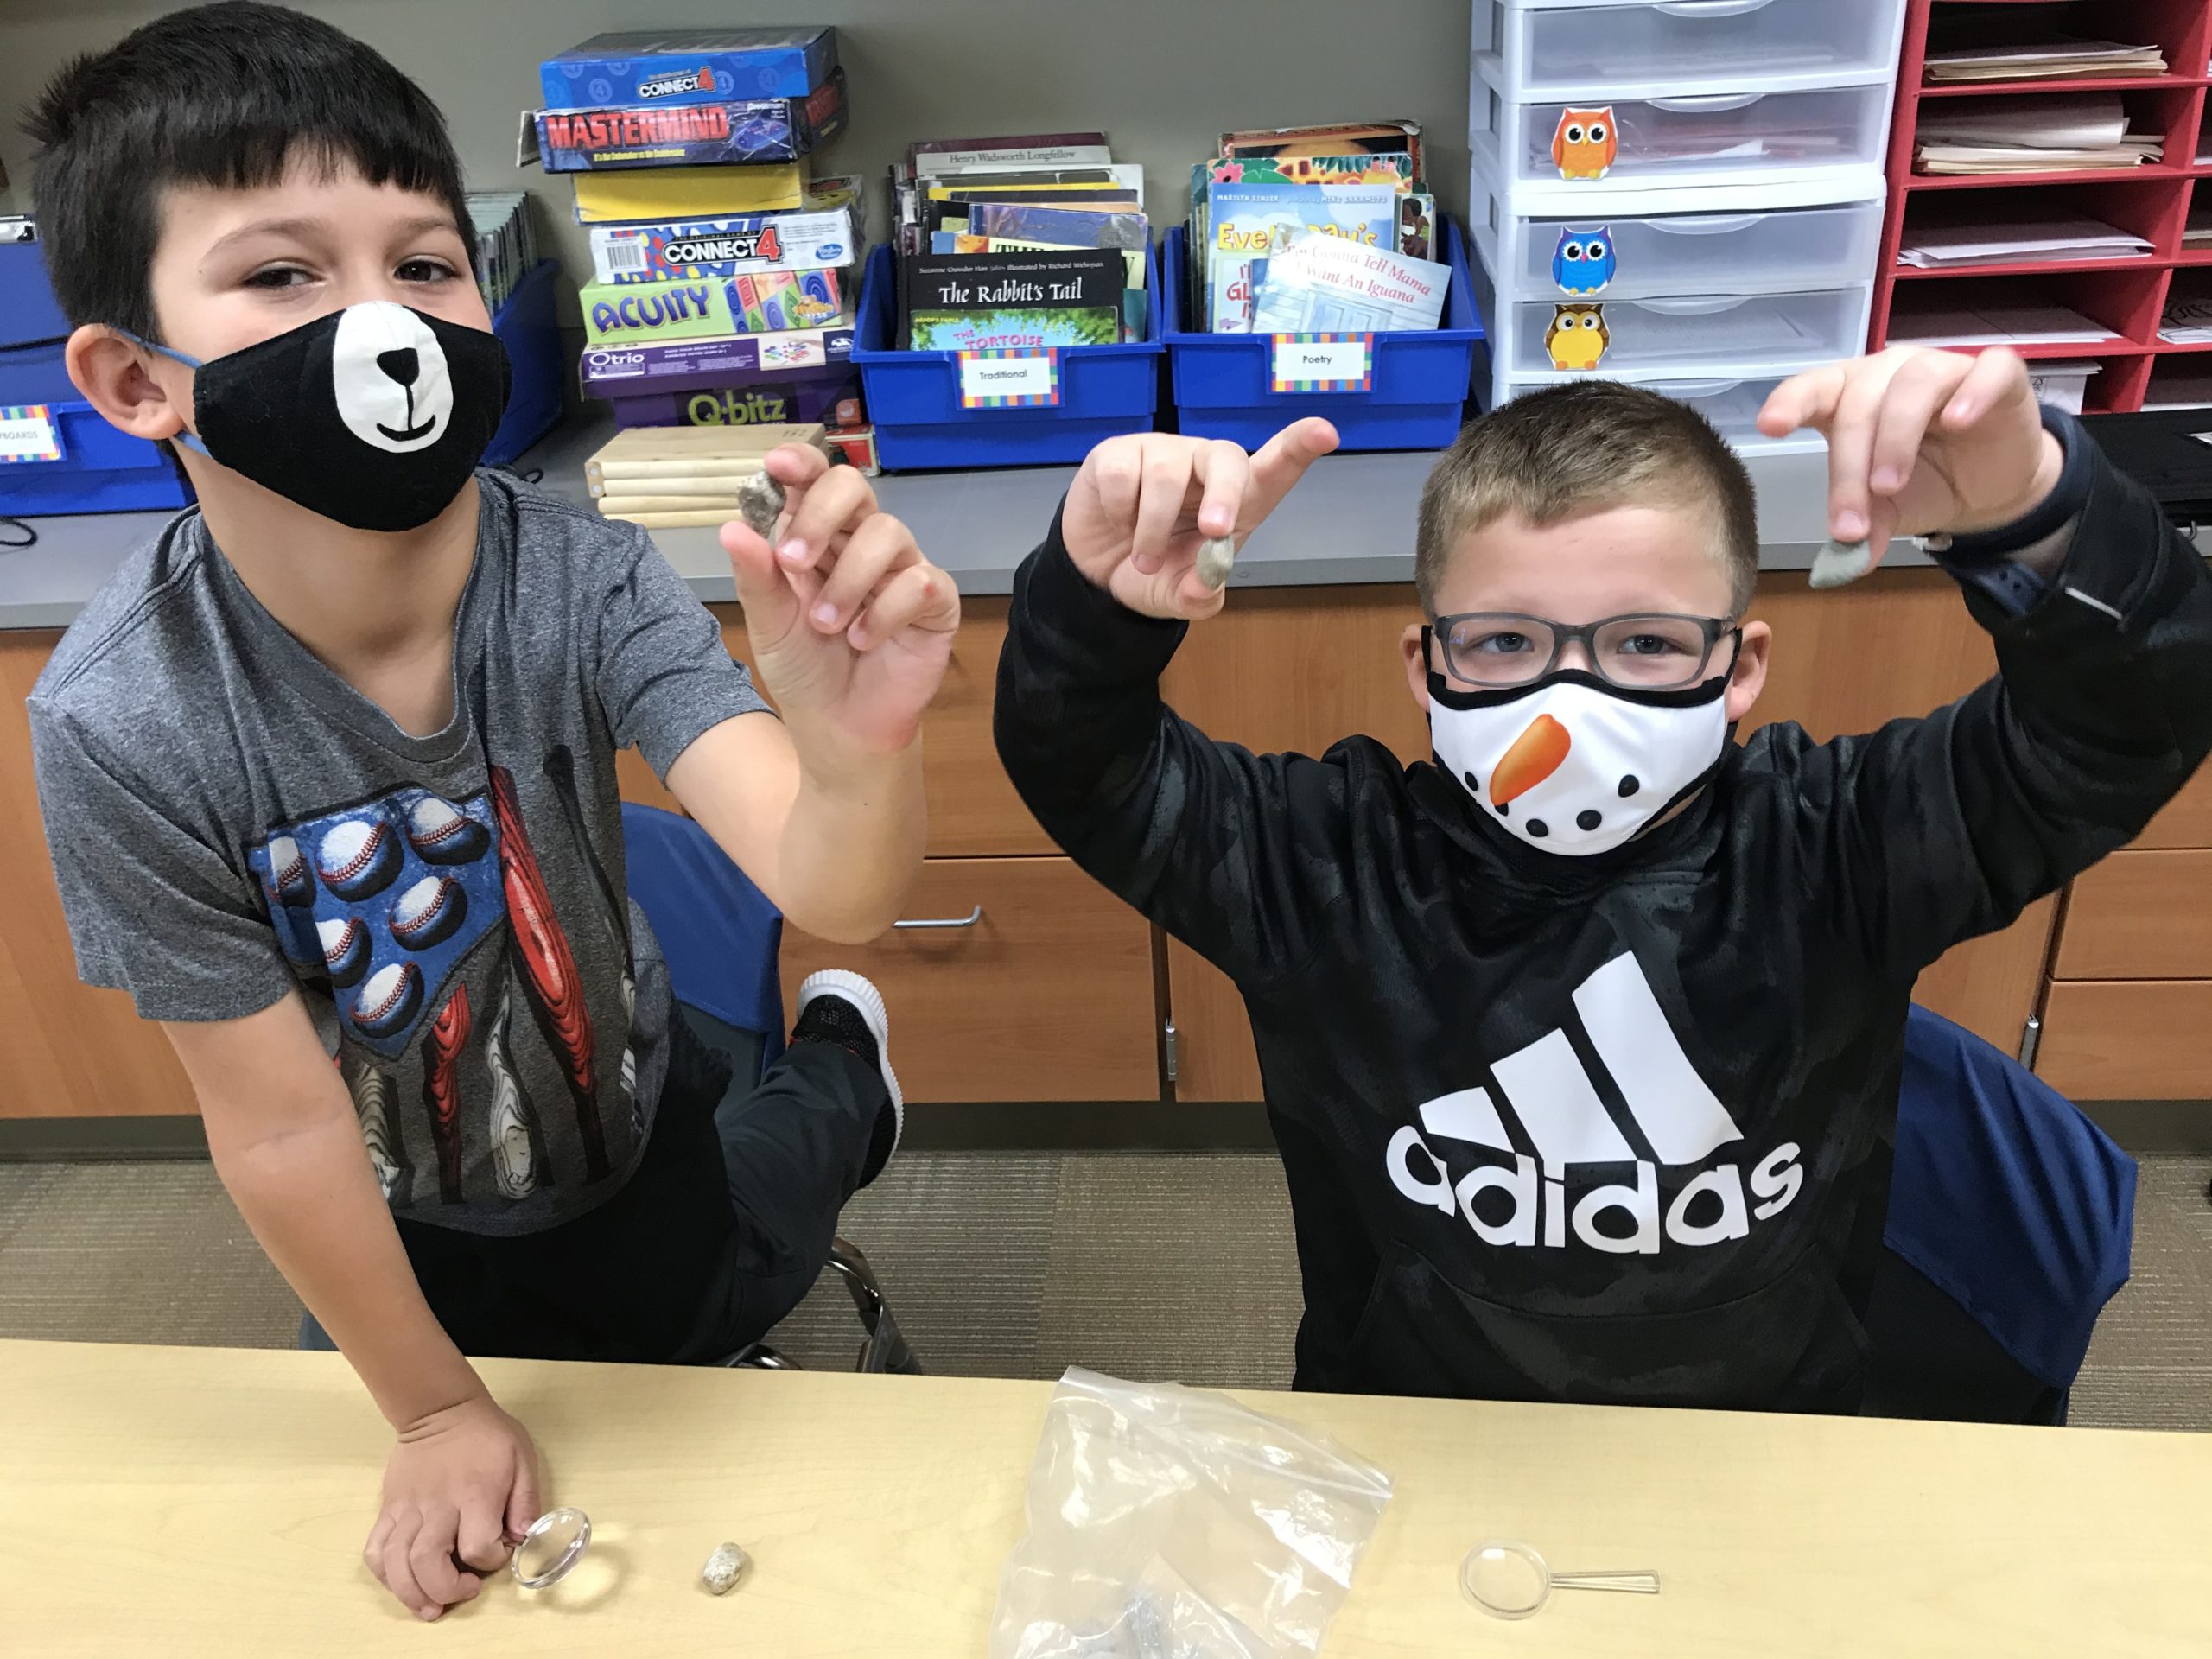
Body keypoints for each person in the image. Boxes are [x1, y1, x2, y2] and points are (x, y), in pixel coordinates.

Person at [22, 3, 956, 1620]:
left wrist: (860, 747)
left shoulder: (581, 576)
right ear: (131, 380)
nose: (380, 323)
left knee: (747, 1259)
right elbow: (278, 1122)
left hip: (640, 1132)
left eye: (426, 263)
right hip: (391, 1218)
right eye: (280, 273)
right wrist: (436, 1404)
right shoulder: (120, 721)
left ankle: (849, 1077)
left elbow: (835, 877)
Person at [995, 346, 2212, 1413]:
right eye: (1506, 642)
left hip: (1763, 1434)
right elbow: (1082, 760)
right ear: (1427, 667)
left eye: (1644, 643)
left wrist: (2036, 518)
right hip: (1412, 1429)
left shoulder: (1835, 847)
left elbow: (2128, 729)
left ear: (1740, 670)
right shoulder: (1327, 869)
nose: (1569, 704)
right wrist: (1094, 602)